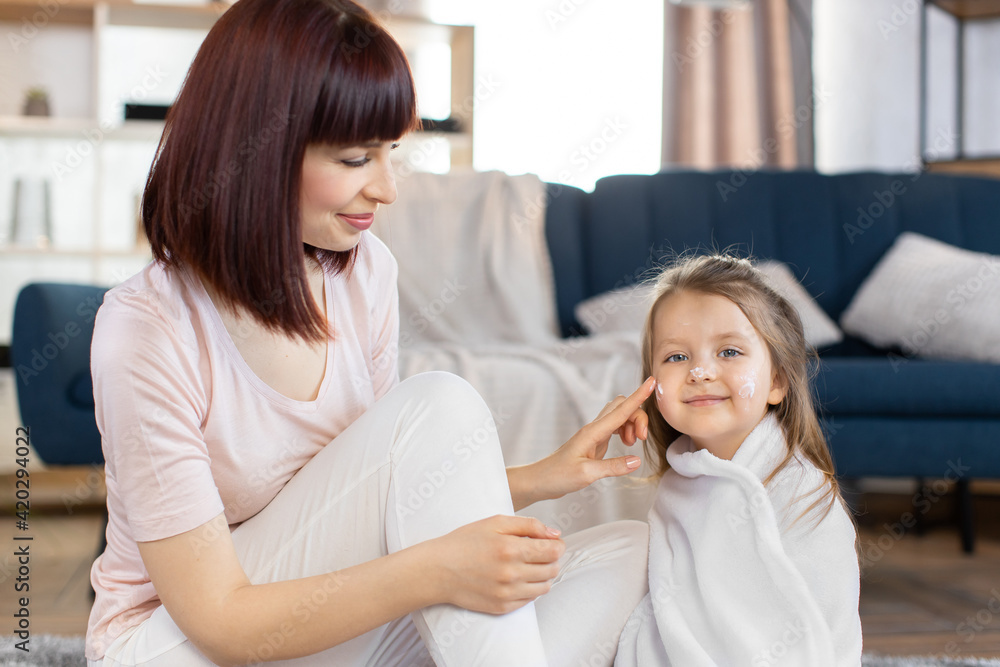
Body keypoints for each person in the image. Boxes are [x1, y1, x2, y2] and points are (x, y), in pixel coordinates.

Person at [84, 1, 652, 665]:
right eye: (356, 158)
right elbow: (219, 617)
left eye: (392, 153)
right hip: (181, 644)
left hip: (317, 621)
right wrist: (436, 571)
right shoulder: (148, 331)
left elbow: (379, 494)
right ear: (258, 150)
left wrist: (542, 476)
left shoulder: (365, 273)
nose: (386, 188)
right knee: (440, 404)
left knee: (632, 552)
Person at [613, 254, 863, 666]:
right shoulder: (683, 479)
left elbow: (827, 628)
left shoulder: (801, 493)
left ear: (777, 381)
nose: (699, 371)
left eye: (728, 351)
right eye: (676, 357)